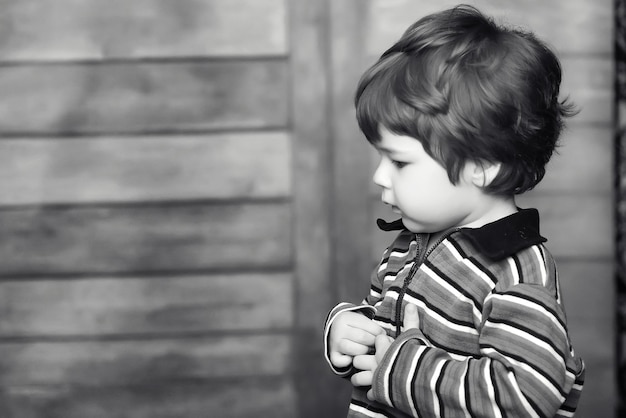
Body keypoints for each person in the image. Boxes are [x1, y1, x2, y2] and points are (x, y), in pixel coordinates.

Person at [323, 4, 585, 417]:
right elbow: (384, 344)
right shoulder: (410, 244)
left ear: (482, 166)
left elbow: (525, 398)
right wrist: (350, 331)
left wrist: (399, 369)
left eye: (400, 162)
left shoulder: (516, 273)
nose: (378, 176)